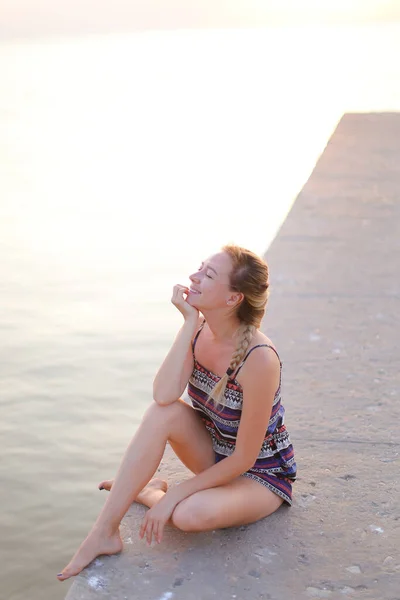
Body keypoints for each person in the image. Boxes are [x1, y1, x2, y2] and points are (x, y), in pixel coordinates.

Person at [57, 244, 296, 581]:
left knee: (187, 516)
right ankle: (103, 533)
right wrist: (188, 323)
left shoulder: (259, 359)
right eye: (200, 268)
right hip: (213, 454)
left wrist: (179, 493)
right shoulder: (199, 330)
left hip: (259, 475)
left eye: (208, 275)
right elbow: (164, 395)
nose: (193, 277)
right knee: (160, 413)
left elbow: (244, 459)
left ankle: (149, 492)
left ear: (233, 299)